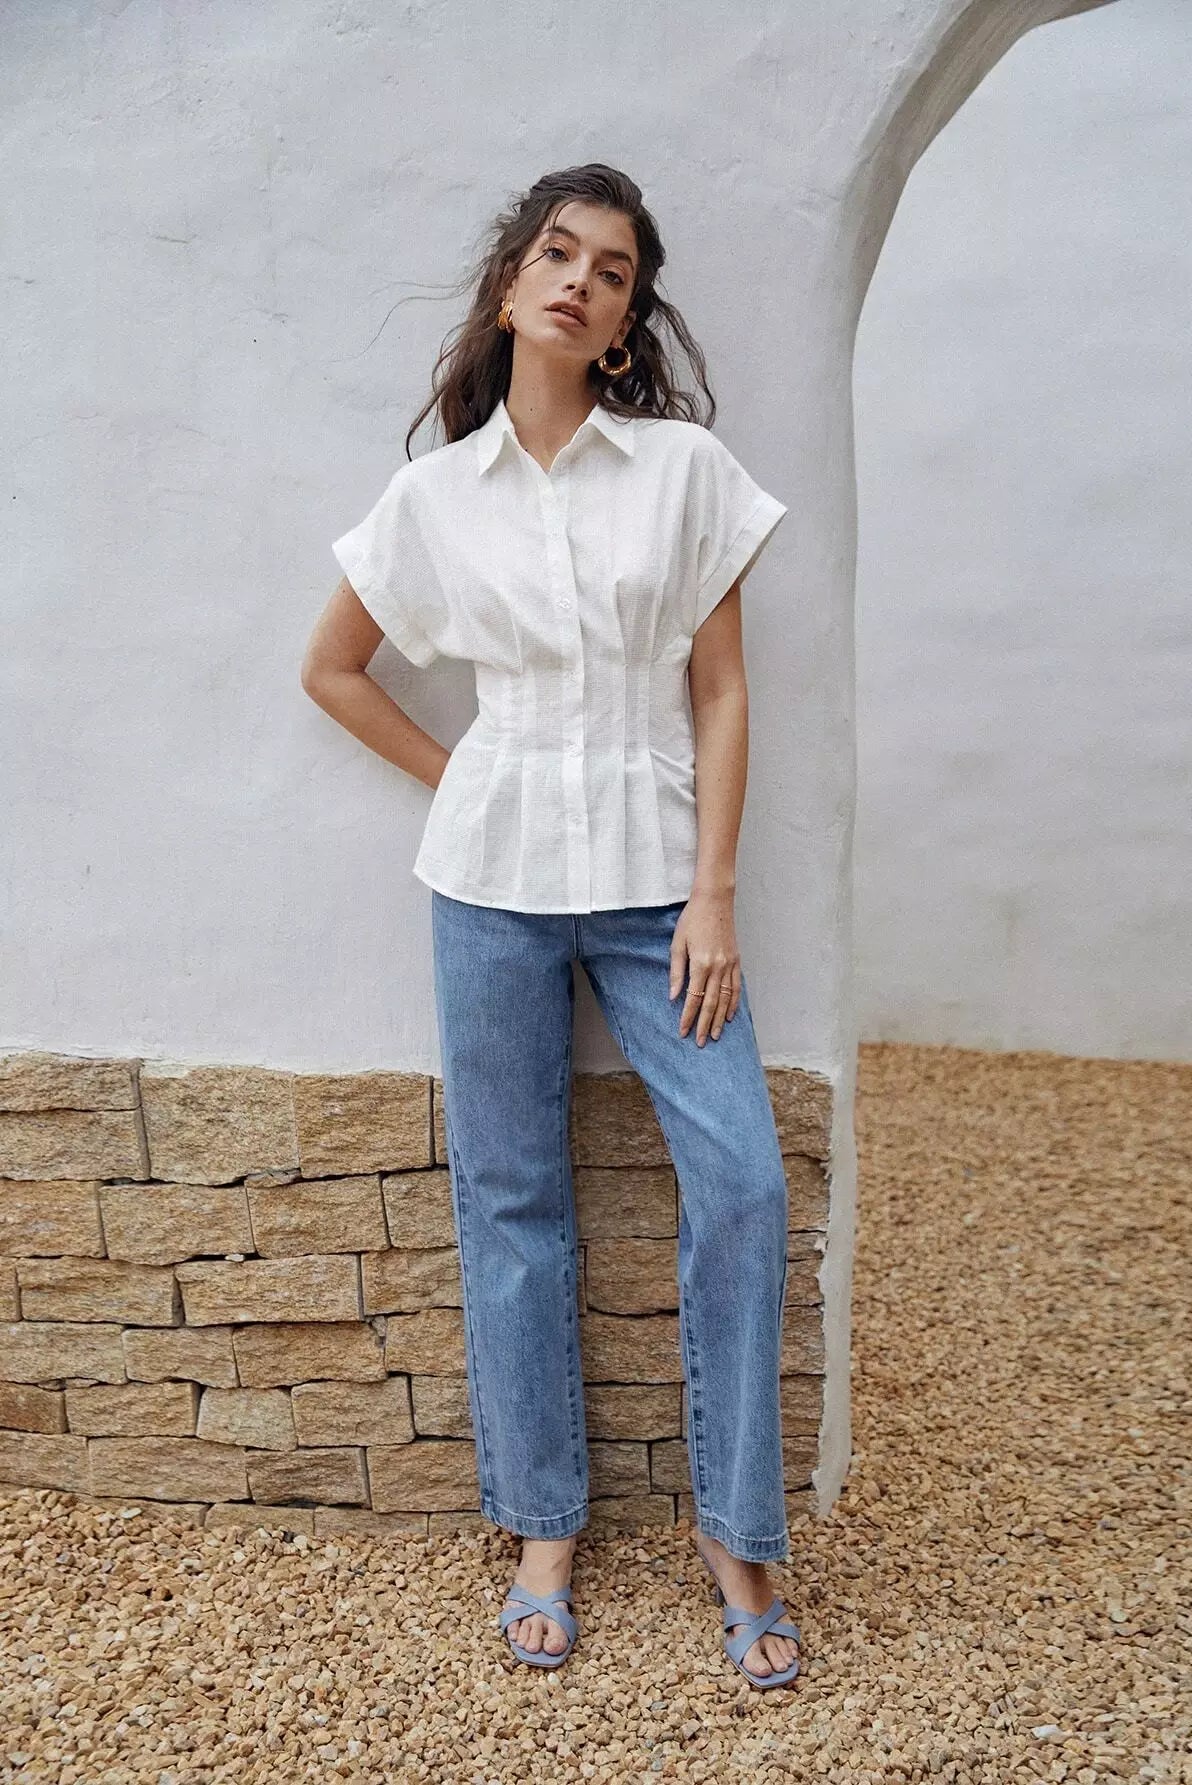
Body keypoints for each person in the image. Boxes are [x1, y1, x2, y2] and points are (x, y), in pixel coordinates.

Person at [301, 164, 801, 1688]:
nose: (580, 279)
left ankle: (738, 1532)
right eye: (558, 252)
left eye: (613, 268)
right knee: (511, 1204)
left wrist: (714, 893)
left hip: (659, 886)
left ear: (627, 318)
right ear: (512, 281)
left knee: (745, 1181)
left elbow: (721, 687)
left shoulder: (683, 473)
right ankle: (543, 1529)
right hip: (491, 888)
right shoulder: (435, 499)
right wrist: (463, 774)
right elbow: (331, 669)